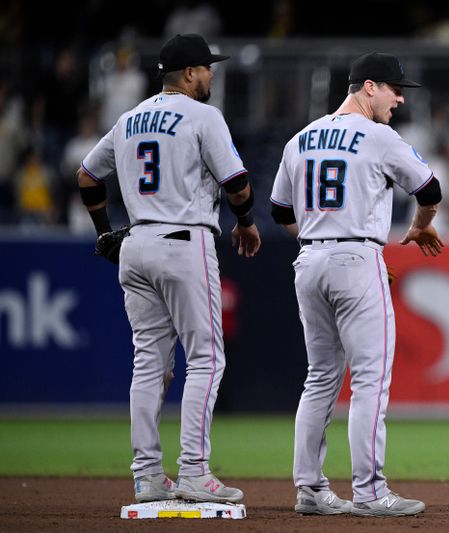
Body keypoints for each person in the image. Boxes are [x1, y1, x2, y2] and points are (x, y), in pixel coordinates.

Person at [77, 33, 261, 504]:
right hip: (185, 239)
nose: (211, 75)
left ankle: (147, 476)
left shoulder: (129, 118)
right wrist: (245, 222)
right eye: (207, 69)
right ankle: (196, 472)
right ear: (190, 73)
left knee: (148, 364)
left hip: (136, 243)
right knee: (206, 358)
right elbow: (237, 183)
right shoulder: (203, 115)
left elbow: (87, 176)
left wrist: (104, 230)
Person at [270, 52, 444, 517]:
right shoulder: (379, 136)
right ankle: (369, 492)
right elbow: (429, 191)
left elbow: (280, 213)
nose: (401, 98)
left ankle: (309, 490)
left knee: (320, 378)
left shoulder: (300, 139)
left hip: (308, 260)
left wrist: (320, 239)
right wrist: (420, 226)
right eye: (394, 88)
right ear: (369, 87)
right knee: (369, 380)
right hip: (356, 256)